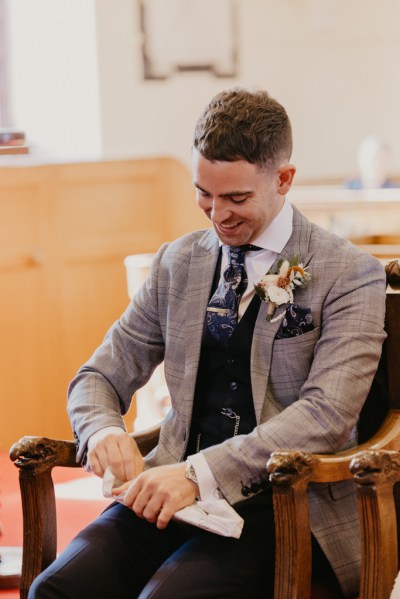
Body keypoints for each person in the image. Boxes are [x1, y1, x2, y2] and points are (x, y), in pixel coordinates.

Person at [29, 87, 386, 599]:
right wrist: (103, 429)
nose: (218, 215)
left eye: (237, 198)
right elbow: (98, 376)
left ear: (284, 179)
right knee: (58, 590)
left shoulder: (349, 274)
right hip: (168, 492)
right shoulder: (179, 263)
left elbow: (328, 415)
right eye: (204, 194)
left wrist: (200, 474)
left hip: (283, 503)